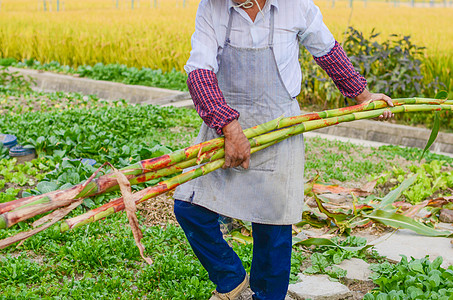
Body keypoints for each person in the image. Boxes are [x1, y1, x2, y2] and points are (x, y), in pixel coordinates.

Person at [173, 0, 393, 299]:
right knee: (189, 205)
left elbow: (327, 51)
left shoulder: (296, 5)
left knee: (273, 224)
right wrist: (228, 126)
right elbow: (199, 70)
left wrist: (363, 96)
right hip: (225, 124)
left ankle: (267, 296)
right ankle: (231, 279)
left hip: (279, 125)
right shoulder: (212, 7)